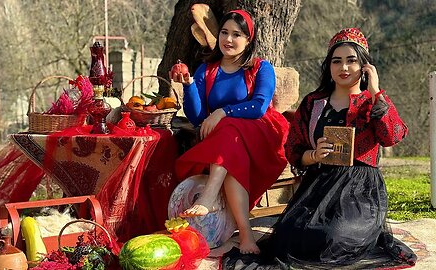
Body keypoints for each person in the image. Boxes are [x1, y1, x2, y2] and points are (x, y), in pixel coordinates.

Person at [256, 28, 417, 267]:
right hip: (319, 182)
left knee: (336, 238)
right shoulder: (313, 102)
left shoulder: (372, 101)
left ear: (364, 66)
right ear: (329, 67)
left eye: (351, 61)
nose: (344, 68)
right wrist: (313, 155)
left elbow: (392, 135)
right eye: (337, 61)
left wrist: (375, 91)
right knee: (293, 236)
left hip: (360, 188)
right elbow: (293, 148)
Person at [170, 10, 289, 254]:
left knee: (229, 129)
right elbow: (198, 117)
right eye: (225, 32)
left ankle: (209, 196)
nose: (229, 39)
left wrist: (223, 112)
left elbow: (258, 106)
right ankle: (246, 238)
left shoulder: (259, 68)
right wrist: (189, 85)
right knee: (232, 150)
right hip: (229, 144)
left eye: (237, 34)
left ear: (248, 40)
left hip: (263, 134)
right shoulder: (207, 70)